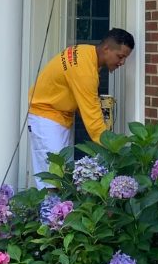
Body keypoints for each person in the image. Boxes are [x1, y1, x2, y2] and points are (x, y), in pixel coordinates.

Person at [27, 28, 135, 180]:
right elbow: (94, 122)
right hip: (46, 119)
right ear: (106, 49)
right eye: (120, 56)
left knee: (63, 176)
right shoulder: (85, 72)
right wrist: (115, 150)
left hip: (57, 117)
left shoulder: (85, 51)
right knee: (54, 181)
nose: (122, 62)